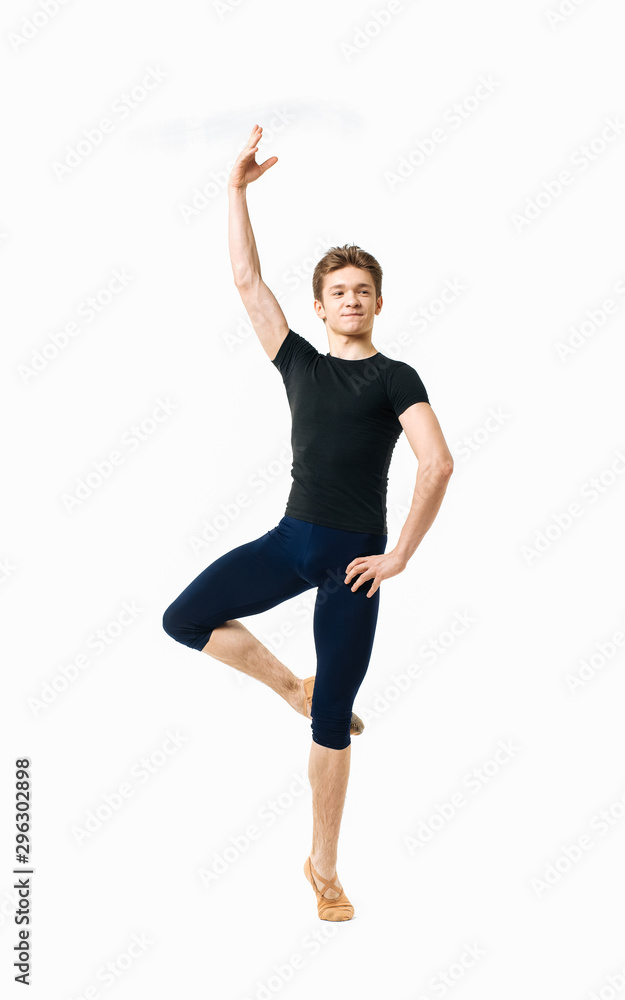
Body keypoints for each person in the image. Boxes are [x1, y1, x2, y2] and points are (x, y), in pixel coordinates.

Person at [162, 124, 454, 921]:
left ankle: (322, 867)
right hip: (291, 543)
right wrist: (234, 192)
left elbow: (437, 464)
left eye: (363, 289)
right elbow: (248, 282)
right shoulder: (299, 362)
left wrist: (397, 557)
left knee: (335, 725)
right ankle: (291, 685)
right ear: (321, 305)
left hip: (353, 566)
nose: (350, 299)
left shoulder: (398, 378)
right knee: (183, 618)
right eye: (338, 291)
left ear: (377, 302)